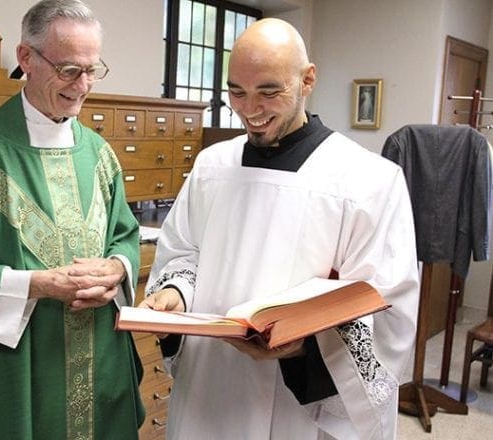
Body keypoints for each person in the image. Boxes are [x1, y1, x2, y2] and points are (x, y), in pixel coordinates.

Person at [139, 18, 419, 440]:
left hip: (298, 409)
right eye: (236, 92)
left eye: (269, 91)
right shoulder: (212, 166)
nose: (250, 110)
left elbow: (387, 309)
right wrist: (175, 293)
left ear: (307, 80)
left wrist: (304, 347)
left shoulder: (368, 181)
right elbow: (183, 252)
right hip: (209, 386)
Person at [0, 1, 144, 438]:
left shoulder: (100, 155)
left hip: (101, 359)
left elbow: (124, 236)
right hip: (18, 370)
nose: (83, 86)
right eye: (69, 70)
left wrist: (117, 268)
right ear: (26, 59)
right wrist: (36, 285)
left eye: (93, 70)